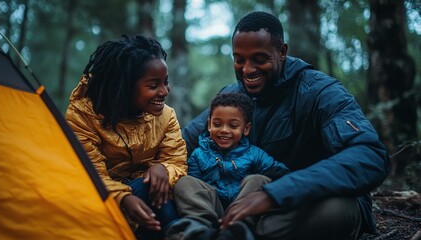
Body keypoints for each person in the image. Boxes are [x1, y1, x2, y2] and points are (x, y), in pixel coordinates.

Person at [181, 11, 390, 240]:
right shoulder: (231, 97)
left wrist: (276, 193)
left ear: (281, 52)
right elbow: (182, 144)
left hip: (301, 204)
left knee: (334, 210)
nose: (248, 70)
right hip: (241, 206)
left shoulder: (320, 92)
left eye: (259, 59)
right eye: (239, 59)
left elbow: (370, 155)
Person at [65, 35, 187, 240]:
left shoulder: (166, 116)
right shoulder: (83, 116)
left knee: (158, 187)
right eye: (153, 85)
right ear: (125, 85)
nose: (164, 91)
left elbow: (177, 161)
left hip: (152, 197)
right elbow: (89, 174)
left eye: (166, 82)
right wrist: (123, 197)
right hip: (102, 202)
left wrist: (163, 169)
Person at [166, 92, 289, 240]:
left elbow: (281, 173)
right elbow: (195, 187)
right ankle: (199, 227)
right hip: (212, 209)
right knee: (185, 182)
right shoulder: (198, 154)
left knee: (257, 180)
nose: (224, 130)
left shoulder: (254, 154)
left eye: (233, 125)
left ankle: (238, 228)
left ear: (246, 129)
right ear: (209, 124)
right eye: (217, 124)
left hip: (244, 210)